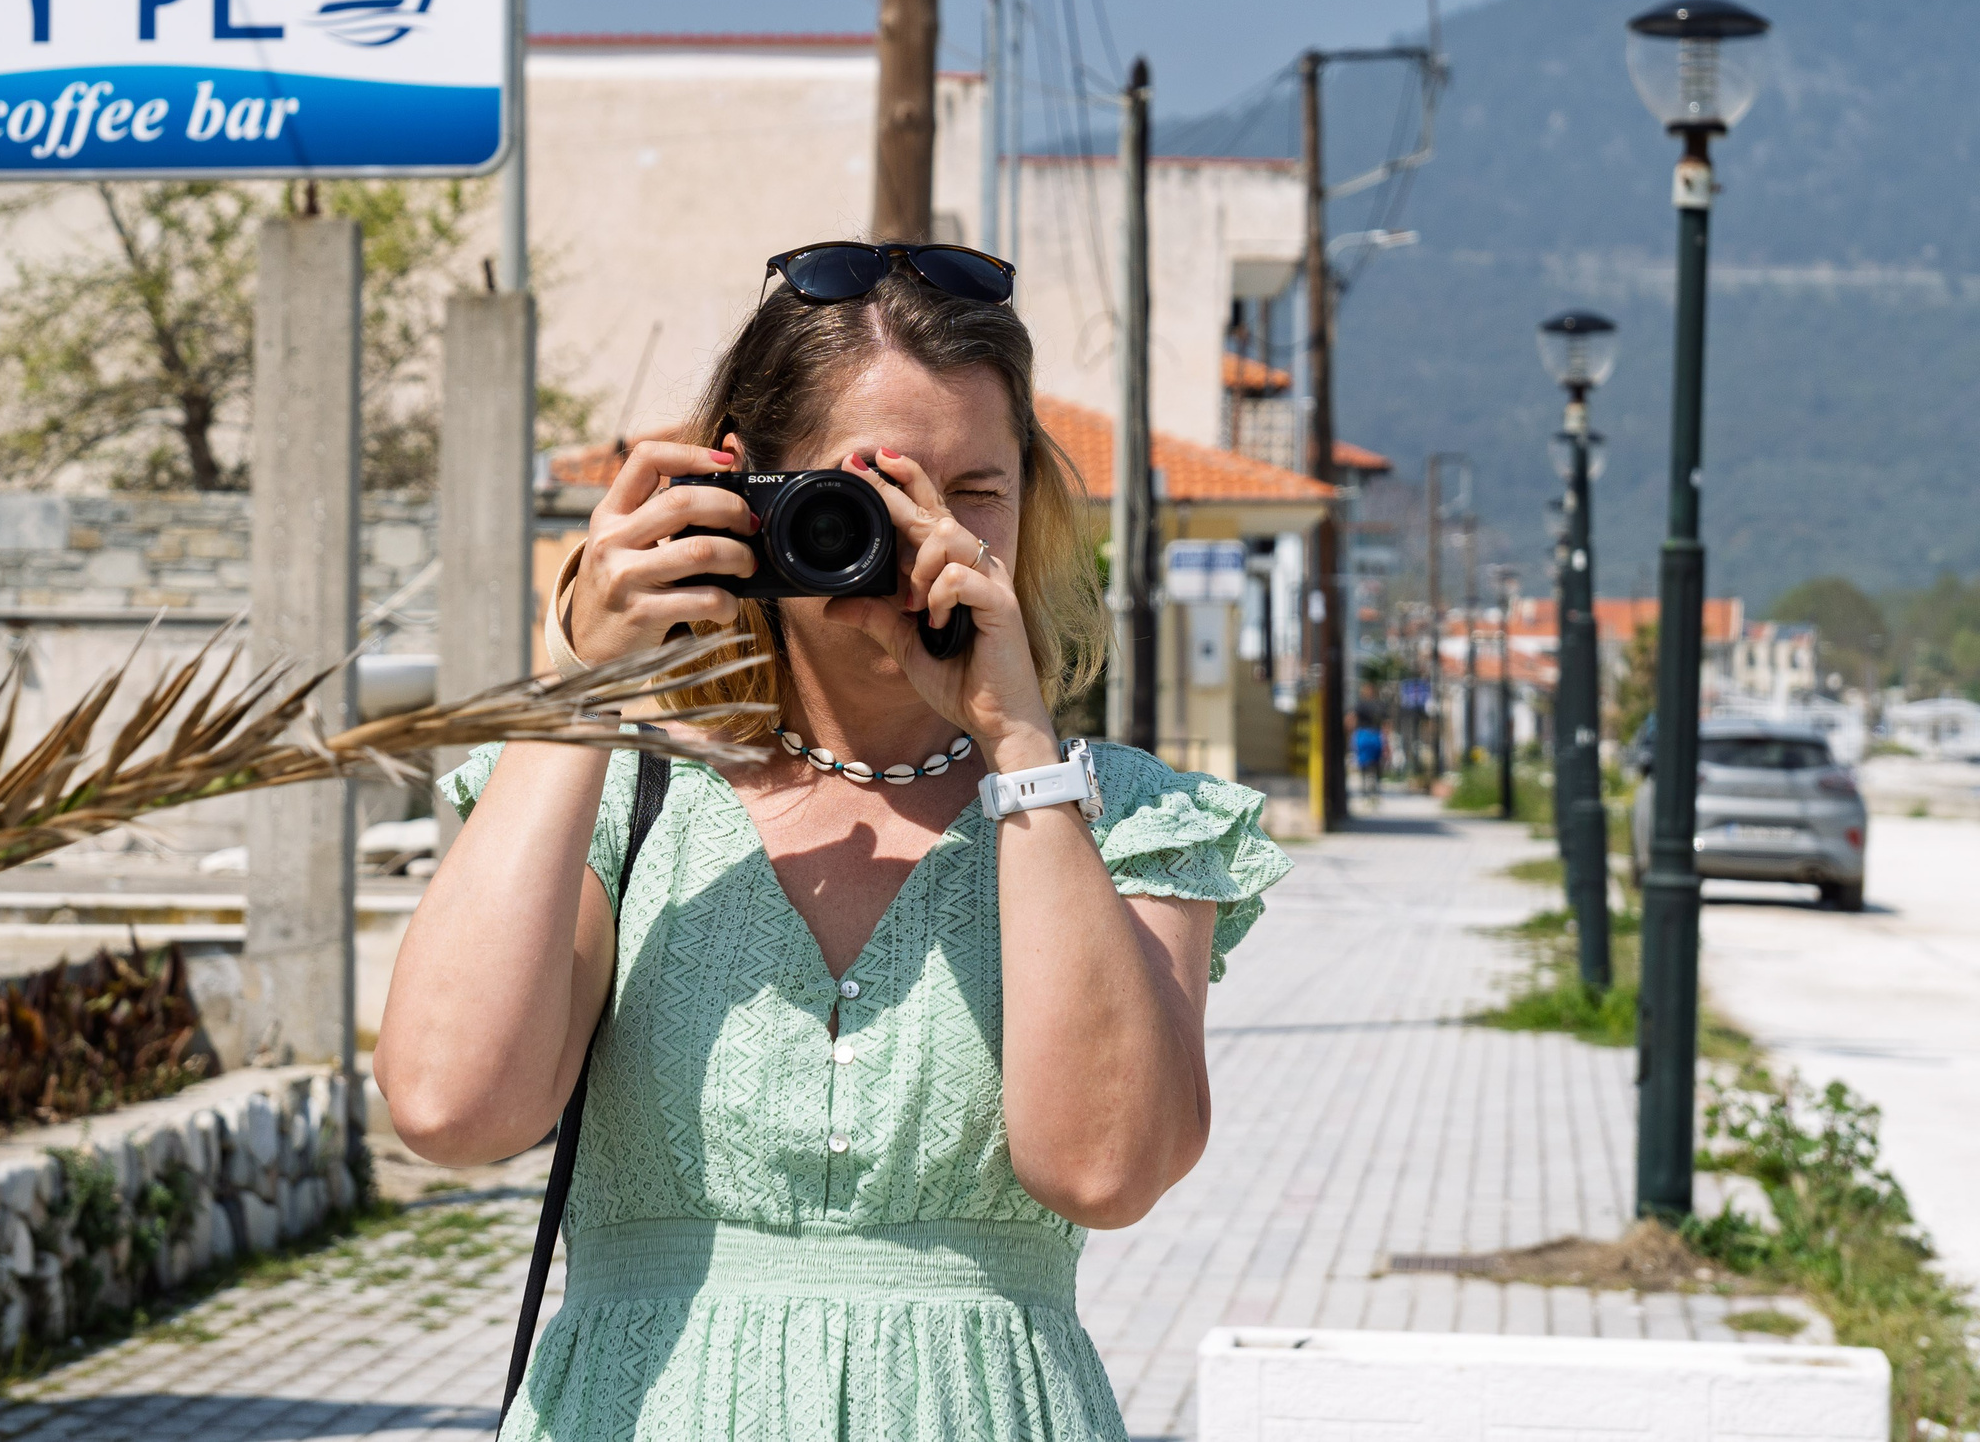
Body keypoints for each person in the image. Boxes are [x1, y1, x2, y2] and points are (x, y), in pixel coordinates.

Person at [376, 242, 1291, 1442]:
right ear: (742, 494)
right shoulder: (621, 793)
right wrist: (581, 686)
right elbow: (449, 1109)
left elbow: (1105, 1171)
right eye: (872, 490)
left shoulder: (1119, 817)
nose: (927, 537)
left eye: (975, 492)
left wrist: (1020, 747)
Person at [1354, 714, 1387, 800]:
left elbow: (1356, 746)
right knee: (1375, 776)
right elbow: (1380, 746)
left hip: (1363, 759)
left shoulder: (1360, 733)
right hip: (1374, 759)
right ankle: (1375, 792)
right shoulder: (1376, 733)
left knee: (1364, 777)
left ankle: (1365, 793)